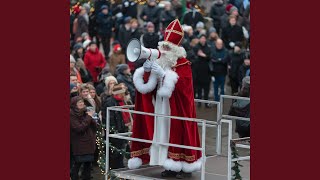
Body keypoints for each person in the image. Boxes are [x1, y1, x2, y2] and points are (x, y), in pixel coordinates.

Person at [128, 19, 202, 179]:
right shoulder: (159, 61)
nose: (164, 50)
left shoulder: (183, 64)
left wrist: (163, 75)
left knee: (176, 133)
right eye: (163, 46)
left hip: (176, 108)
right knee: (162, 134)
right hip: (161, 107)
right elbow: (150, 88)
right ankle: (167, 162)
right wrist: (146, 72)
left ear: (176, 50)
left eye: (168, 47)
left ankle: (180, 165)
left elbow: (184, 87)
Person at [70, 96, 97, 180]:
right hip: (79, 143)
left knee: (88, 164)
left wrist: (91, 117)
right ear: (74, 104)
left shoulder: (85, 112)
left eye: (82, 102)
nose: (82, 104)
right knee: (78, 163)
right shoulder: (71, 115)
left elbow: (94, 126)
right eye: (79, 102)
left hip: (89, 142)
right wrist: (89, 117)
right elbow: (79, 128)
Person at [105, 84, 130, 169]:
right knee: (115, 151)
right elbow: (109, 118)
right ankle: (115, 168)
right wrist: (114, 130)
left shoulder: (122, 101)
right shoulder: (110, 101)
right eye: (123, 91)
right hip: (116, 130)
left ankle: (119, 166)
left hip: (123, 129)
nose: (125, 93)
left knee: (121, 149)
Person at [194, 34, 212, 108]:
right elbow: (194, 56)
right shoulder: (196, 47)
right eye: (201, 38)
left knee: (206, 88)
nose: (203, 40)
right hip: (198, 70)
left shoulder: (208, 47)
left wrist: (203, 55)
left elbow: (210, 57)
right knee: (199, 88)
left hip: (206, 71)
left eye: (204, 38)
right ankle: (199, 103)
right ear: (199, 39)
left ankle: (206, 103)